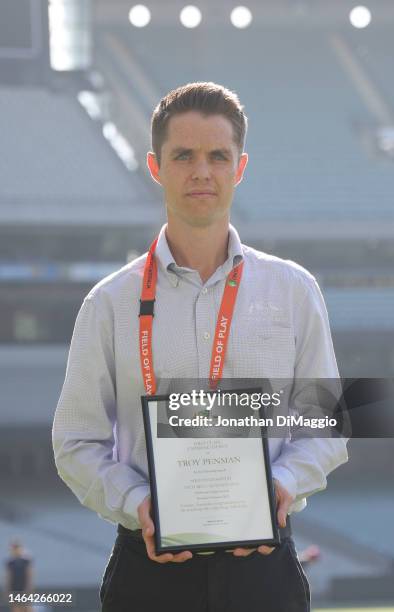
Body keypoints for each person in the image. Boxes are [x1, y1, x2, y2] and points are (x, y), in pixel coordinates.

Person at [52, 82, 348, 612]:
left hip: (263, 567)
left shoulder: (294, 290)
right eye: (183, 155)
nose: (201, 171)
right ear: (155, 166)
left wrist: (277, 484)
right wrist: (137, 502)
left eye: (218, 156)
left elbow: (327, 428)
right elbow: (75, 441)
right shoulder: (109, 302)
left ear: (240, 167)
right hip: (148, 566)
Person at [4, 540, 33, 612]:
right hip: (14, 589)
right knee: (16, 608)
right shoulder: (10, 562)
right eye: (14, 548)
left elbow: (29, 575)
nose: (15, 550)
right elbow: (8, 577)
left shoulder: (26, 561)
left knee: (27, 607)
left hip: (23, 588)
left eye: (17, 547)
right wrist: (7, 590)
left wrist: (29, 588)